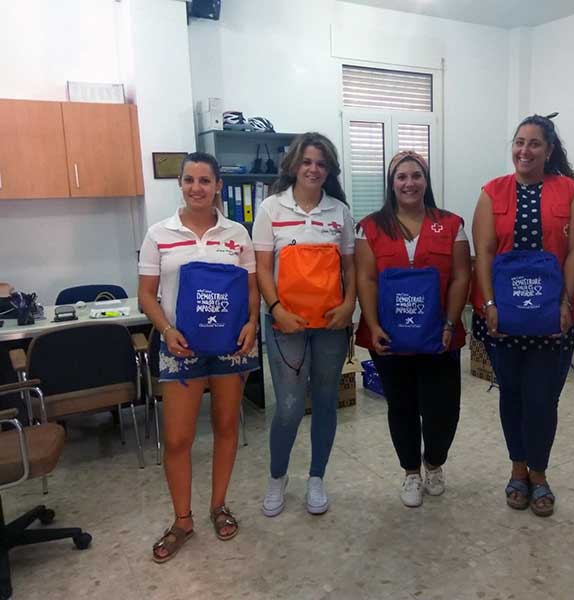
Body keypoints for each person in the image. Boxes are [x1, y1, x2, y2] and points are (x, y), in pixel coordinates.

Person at [138, 152, 260, 563]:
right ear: (180, 184)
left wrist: (251, 323)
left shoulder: (237, 234)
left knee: (227, 426)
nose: (196, 187)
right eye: (189, 179)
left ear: (218, 185)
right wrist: (166, 331)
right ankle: (182, 520)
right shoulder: (159, 234)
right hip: (180, 349)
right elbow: (145, 293)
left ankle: (218, 505)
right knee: (177, 438)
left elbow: (251, 287)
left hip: (228, 347)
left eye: (204, 180)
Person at [472, 114, 574, 517]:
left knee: (542, 399)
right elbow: (484, 254)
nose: (525, 150)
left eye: (534, 143)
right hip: (504, 318)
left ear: (549, 150)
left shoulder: (569, 191)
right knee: (513, 396)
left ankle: (538, 473)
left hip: (553, 317)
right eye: (519, 142)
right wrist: (489, 304)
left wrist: (565, 304)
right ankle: (517, 469)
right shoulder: (492, 192)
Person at [355, 150, 470, 507]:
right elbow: (366, 278)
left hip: (439, 335)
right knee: (402, 407)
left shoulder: (451, 224)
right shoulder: (370, 227)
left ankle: (434, 462)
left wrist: (450, 323)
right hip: (390, 338)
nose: (409, 183)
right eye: (401, 177)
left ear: (426, 181)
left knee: (443, 410)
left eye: (416, 175)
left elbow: (461, 277)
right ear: (391, 184)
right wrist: (372, 325)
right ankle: (410, 473)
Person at [253, 132, 355, 517]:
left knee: (326, 402)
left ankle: (317, 477)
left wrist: (349, 305)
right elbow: (262, 269)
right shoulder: (270, 210)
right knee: (290, 407)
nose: (314, 169)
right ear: (294, 165)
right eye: (307, 162)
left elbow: (351, 267)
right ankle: (278, 476)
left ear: (329, 171)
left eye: (322, 164)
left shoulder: (339, 212)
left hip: (331, 323)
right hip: (285, 325)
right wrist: (276, 308)